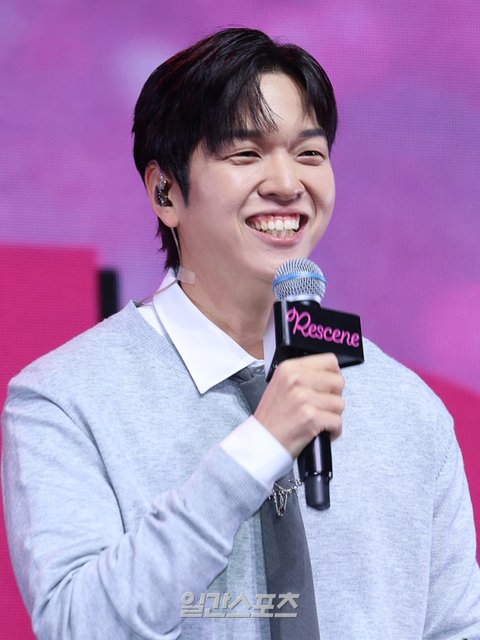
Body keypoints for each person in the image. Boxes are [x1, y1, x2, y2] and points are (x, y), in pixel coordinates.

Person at [2, 27, 480, 640]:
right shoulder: (65, 400)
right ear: (165, 191)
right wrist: (257, 448)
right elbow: (79, 626)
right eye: (246, 154)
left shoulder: (405, 407)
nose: (287, 183)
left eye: (309, 154)